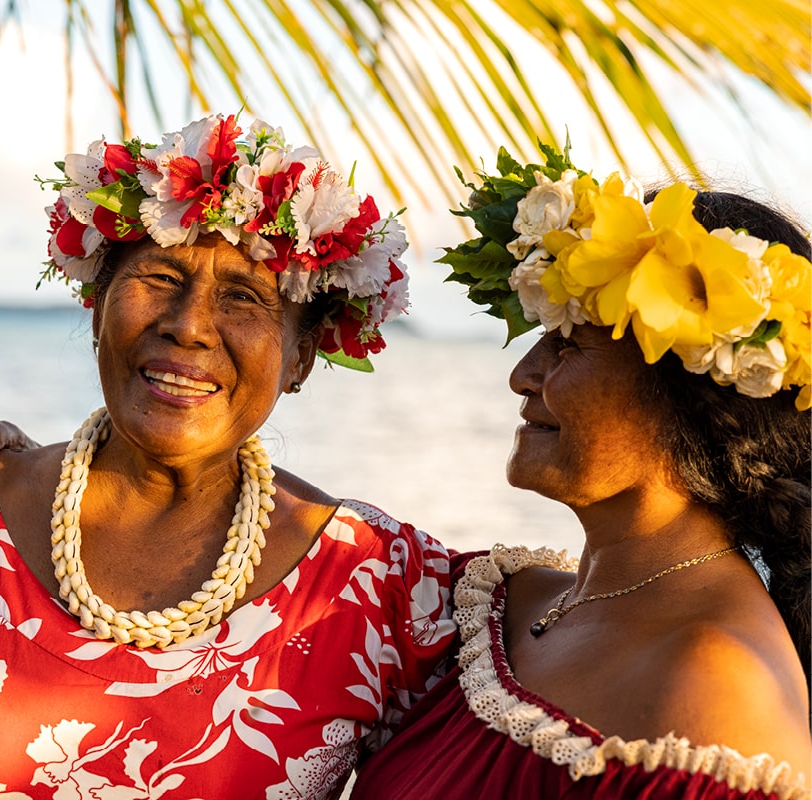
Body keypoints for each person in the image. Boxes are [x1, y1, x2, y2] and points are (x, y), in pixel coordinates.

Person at [0, 112, 456, 800]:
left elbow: (556, 678)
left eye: (243, 297)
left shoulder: (378, 585)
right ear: (96, 308)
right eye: (159, 280)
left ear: (301, 355)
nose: (187, 327)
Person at [346, 150, 812, 797]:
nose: (522, 375)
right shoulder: (500, 605)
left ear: (686, 386)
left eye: (568, 345)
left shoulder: (713, 683)